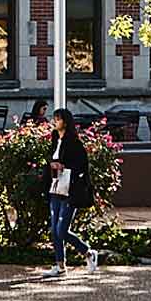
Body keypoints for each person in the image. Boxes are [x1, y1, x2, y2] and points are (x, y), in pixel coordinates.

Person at [43, 109, 97, 276]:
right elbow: (50, 157)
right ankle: (60, 266)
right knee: (54, 229)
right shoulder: (54, 138)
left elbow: (81, 164)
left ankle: (88, 252)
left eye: (57, 119)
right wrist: (51, 165)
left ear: (65, 122)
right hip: (55, 186)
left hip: (70, 189)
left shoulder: (73, 141)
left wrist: (64, 167)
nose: (55, 122)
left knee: (62, 229)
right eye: (54, 119)